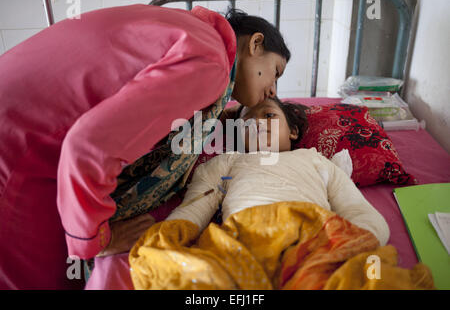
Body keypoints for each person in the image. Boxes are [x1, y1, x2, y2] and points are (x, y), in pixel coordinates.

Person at [0, 4, 290, 289]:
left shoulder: (185, 29)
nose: (275, 90)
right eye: (276, 71)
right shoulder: (212, 63)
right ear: (255, 43)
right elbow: (88, 147)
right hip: (19, 150)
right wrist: (97, 240)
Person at [128, 97, 395, 290]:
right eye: (247, 121)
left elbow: (357, 210)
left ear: (292, 132)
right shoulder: (228, 162)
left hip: (313, 238)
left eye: (268, 115)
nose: (257, 123)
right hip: (243, 241)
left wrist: (358, 242)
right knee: (196, 277)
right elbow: (196, 207)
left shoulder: (314, 160)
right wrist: (170, 235)